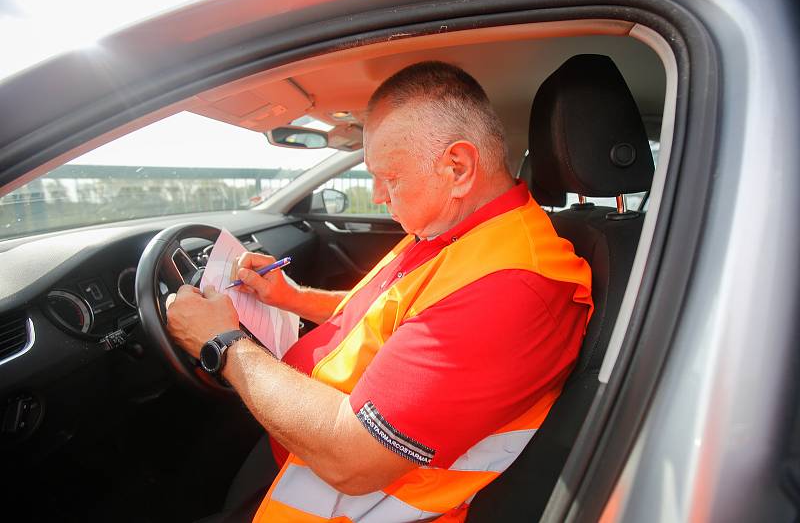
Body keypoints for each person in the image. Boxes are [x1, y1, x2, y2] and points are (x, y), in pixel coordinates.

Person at [166, 61, 593, 522]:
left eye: (389, 177)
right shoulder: (458, 230)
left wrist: (223, 344)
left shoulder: (511, 288)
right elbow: (394, 316)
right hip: (297, 454)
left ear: (458, 167)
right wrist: (289, 297)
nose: (378, 196)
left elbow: (352, 461)